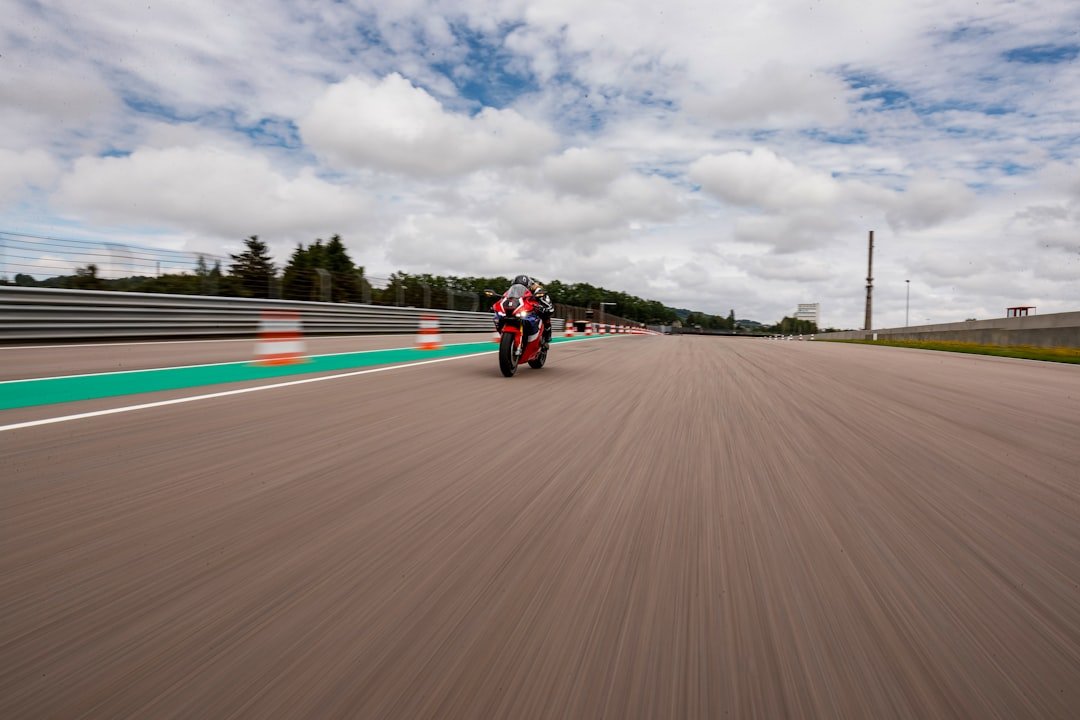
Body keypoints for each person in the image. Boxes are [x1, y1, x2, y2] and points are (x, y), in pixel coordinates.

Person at [510, 274, 554, 348]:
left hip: (536, 310)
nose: (520, 289)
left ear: (529, 286)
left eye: (523, 287)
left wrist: (543, 308)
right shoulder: (513, 291)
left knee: (546, 317)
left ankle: (546, 338)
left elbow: (550, 307)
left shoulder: (538, 291)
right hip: (522, 309)